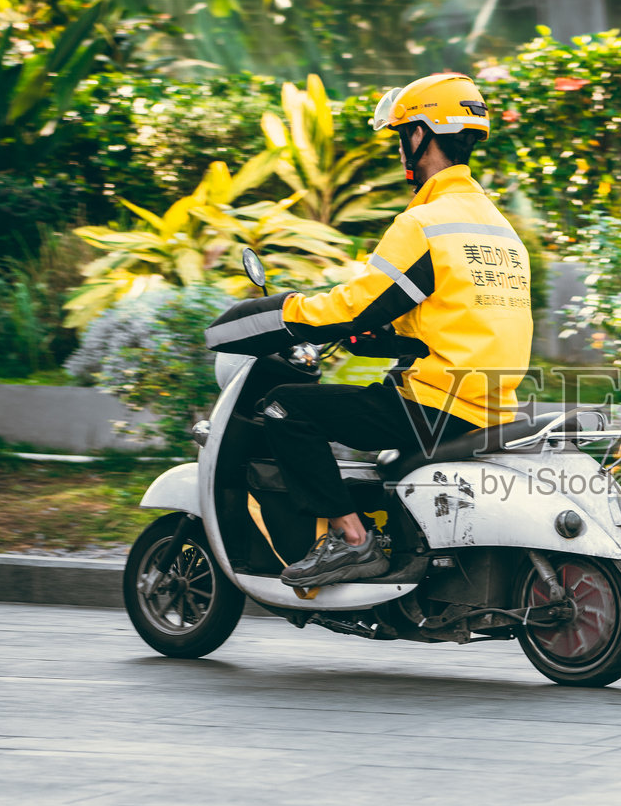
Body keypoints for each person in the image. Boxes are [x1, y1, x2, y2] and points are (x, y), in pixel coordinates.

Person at [204, 73, 533, 587]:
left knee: (286, 407)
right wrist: (382, 339)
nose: (401, 147)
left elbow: (355, 305)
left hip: (434, 402)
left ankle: (353, 541)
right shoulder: (497, 229)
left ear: (420, 136)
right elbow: (458, 314)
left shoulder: (425, 222)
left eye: (403, 135)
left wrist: (276, 315)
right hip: (490, 400)